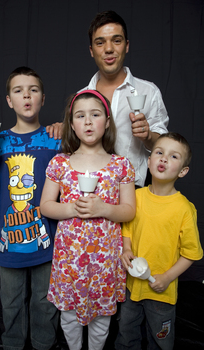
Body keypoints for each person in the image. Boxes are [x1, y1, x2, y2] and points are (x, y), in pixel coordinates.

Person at [0, 67, 61, 350]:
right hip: (8, 242)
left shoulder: (55, 140)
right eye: (18, 90)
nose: (26, 96)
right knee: (10, 301)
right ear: (9, 100)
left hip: (47, 238)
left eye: (33, 90)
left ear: (43, 98)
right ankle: (13, 345)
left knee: (44, 300)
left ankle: (43, 343)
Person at [40, 90, 136, 350]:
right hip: (70, 259)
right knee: (69, 315)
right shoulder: (60, 163)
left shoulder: (121, 165)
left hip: (104, 259)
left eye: (95, 115)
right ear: (72, 124)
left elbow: (129, 211)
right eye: (80, 116)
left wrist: (103, 208)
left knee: (102, 317)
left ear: (107, 121)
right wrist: (73, 209)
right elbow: (46, 206)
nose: (88, 122)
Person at [47, 10, 169, 188]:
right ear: (91, 50)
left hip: (133, 192)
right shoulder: (80, 98)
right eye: (100, 42)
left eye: (116, 40)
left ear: (126, 46)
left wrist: (148, 135)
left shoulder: (148, 91)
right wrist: (62, 128)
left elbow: (164, 146)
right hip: (89, 190)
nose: (109, 49)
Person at [115, 132, 203, 350]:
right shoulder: (135, 197)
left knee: (160, 340)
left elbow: (191, 253)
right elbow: (127, 227)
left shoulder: (184, 209)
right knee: (126, 334)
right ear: (149, 160)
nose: (164, 158)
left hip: (161, 290)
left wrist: (167, 277)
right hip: (132, 286)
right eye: (159, 152)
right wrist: (126, 248)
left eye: (174, 157)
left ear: (183, 171)